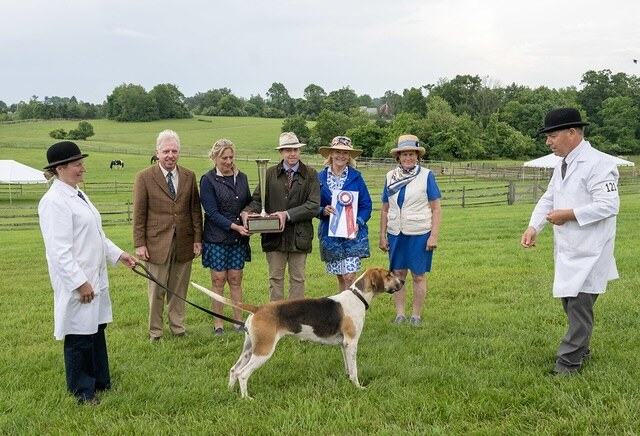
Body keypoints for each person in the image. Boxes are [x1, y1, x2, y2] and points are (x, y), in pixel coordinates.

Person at [521, 107, 620, 375]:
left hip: (590, 251)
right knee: (570, 302)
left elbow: (609, 205)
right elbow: (549, 198)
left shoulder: (599, 164)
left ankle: (567, 363)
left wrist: (569, 215)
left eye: (552, 136)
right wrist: (534, 226)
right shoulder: (561, 166)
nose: (548, 142)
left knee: (579, 309)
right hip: (569, 250)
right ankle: (581, 348)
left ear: (572, 133)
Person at [38, 141, 137, 405]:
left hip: (95, 275)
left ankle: (101, 381)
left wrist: (120, 255)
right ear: (60, 168)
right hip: (79, 280)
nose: (83, 168)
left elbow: (97, 235)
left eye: (82, 163)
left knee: (95, 329)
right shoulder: (54, 201)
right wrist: (79, 283)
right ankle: (82, 390)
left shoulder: (78, 193)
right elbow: (59, 251)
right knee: (79, 333)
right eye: (77, 164)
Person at [133, 129, 203, 342]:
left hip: (184, 241)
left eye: (174, 151)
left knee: (179, 288)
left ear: (179, 152)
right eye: (166, 151)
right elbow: (139, 213)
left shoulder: (189, 176)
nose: (170, 155)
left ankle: (178, 327)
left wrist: (198, 239)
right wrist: (139, 243)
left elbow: (194, 211)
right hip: (155, 243)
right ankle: (155, 331)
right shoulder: (144, 177)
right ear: (157, 152)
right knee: (156, 289)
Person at [241, 132, 320, 301]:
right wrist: (247, 212)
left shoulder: (311, 174)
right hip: (274, 238)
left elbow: (313, 206)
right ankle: (275, 319)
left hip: (300, 237)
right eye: (287, 150)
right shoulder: (269, 174)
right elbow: (257, 200)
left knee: (298, 279)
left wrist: (287, 215)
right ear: (281, 152)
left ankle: (295, 320)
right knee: (275, 280)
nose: (292, 153)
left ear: (300, 151)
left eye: (295, 149)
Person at [379, 134, 442, 326]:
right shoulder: (390, 176)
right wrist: (382, 235)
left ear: (418, 156)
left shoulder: (426, 176)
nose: (408, 158)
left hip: (419, 233)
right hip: (396, 233)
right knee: (397, 275)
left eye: (412, 154)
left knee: (418, 275)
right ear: (398, 157)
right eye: (404, 154)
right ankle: (400, 314)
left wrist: (433, 235)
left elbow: (436, 208)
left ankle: (415, 315)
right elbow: (384, 208)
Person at [200, 139, 252, 335]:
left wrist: (249, 215)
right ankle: (219, 324)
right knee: (219, 280)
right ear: (215, 157)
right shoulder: (208, 180)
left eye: (231, 157)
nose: (228, 161)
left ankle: (238, 322)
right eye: (224, 158)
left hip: (238, 239)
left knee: (236, 279)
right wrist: (235, 227)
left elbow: (248, 202)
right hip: (217, 238)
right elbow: (211, 213)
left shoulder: (243, 178)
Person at [317, 136, 372, 291]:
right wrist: (323, 211)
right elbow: (312, 204)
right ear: (331, 154)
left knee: (349, 276)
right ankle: (344, 310)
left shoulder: (356, 177)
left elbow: (366, 205)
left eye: (345, 153)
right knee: (341, 276)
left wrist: (358, 223)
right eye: (338, 152)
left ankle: (352, 310)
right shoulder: (319, 178)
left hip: (352, 234)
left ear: (349, 157)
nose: (341, 155)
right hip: (330, 234)